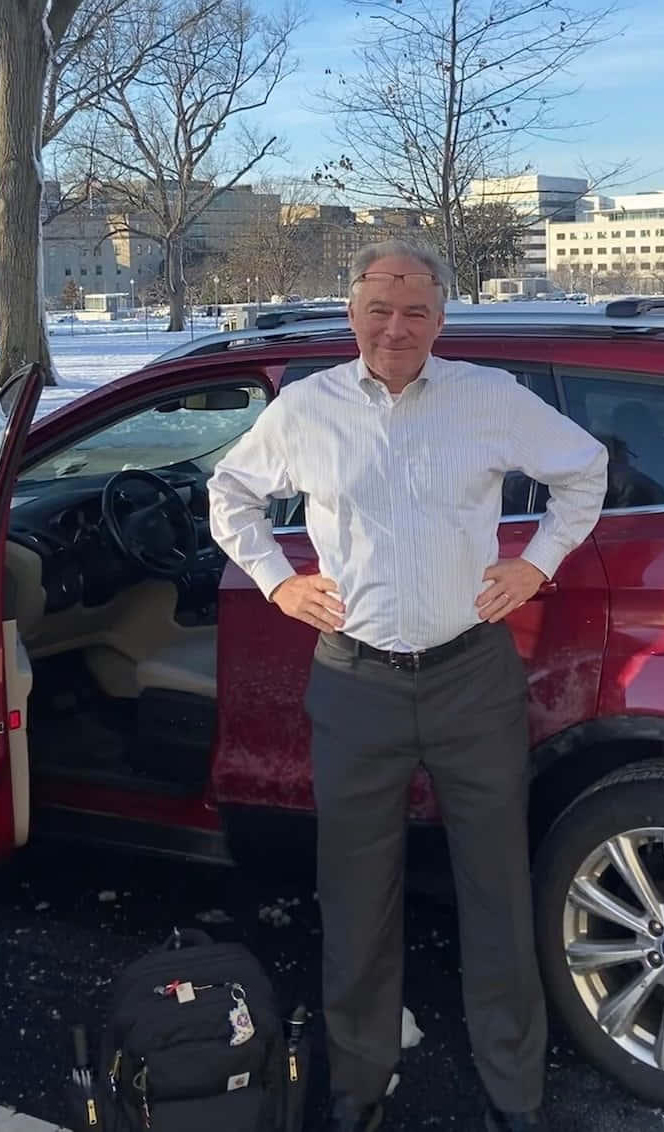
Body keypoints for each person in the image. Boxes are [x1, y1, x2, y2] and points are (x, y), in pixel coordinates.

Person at [208, 240, 608, 1132]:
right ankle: (358, 1081)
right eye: (380, 308)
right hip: (354, 682)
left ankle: (516, 1088)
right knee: (355, 894)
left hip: (472, 675)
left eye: (417, 309)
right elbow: (228, 493)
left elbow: (584, 472)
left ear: (440, 318)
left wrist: (536, 565)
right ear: (351, 314)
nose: (397, 326)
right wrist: (279, 581)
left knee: (497, 888)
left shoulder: (488, 399)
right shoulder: (307, 409)